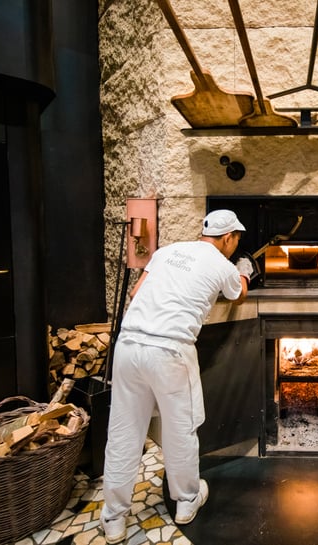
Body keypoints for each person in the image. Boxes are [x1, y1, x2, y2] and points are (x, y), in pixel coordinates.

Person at [99, 209, 254, 543]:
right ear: (227, 238)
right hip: (170, 351)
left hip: (129, 344)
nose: (236, 244)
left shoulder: (165, 251)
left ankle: (113, 517)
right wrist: (244, 270)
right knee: (181, 428)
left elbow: (135, 294)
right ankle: (186, 500)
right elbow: (238, 294)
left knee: (124, 431)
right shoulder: (222, 265)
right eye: (237, 239)